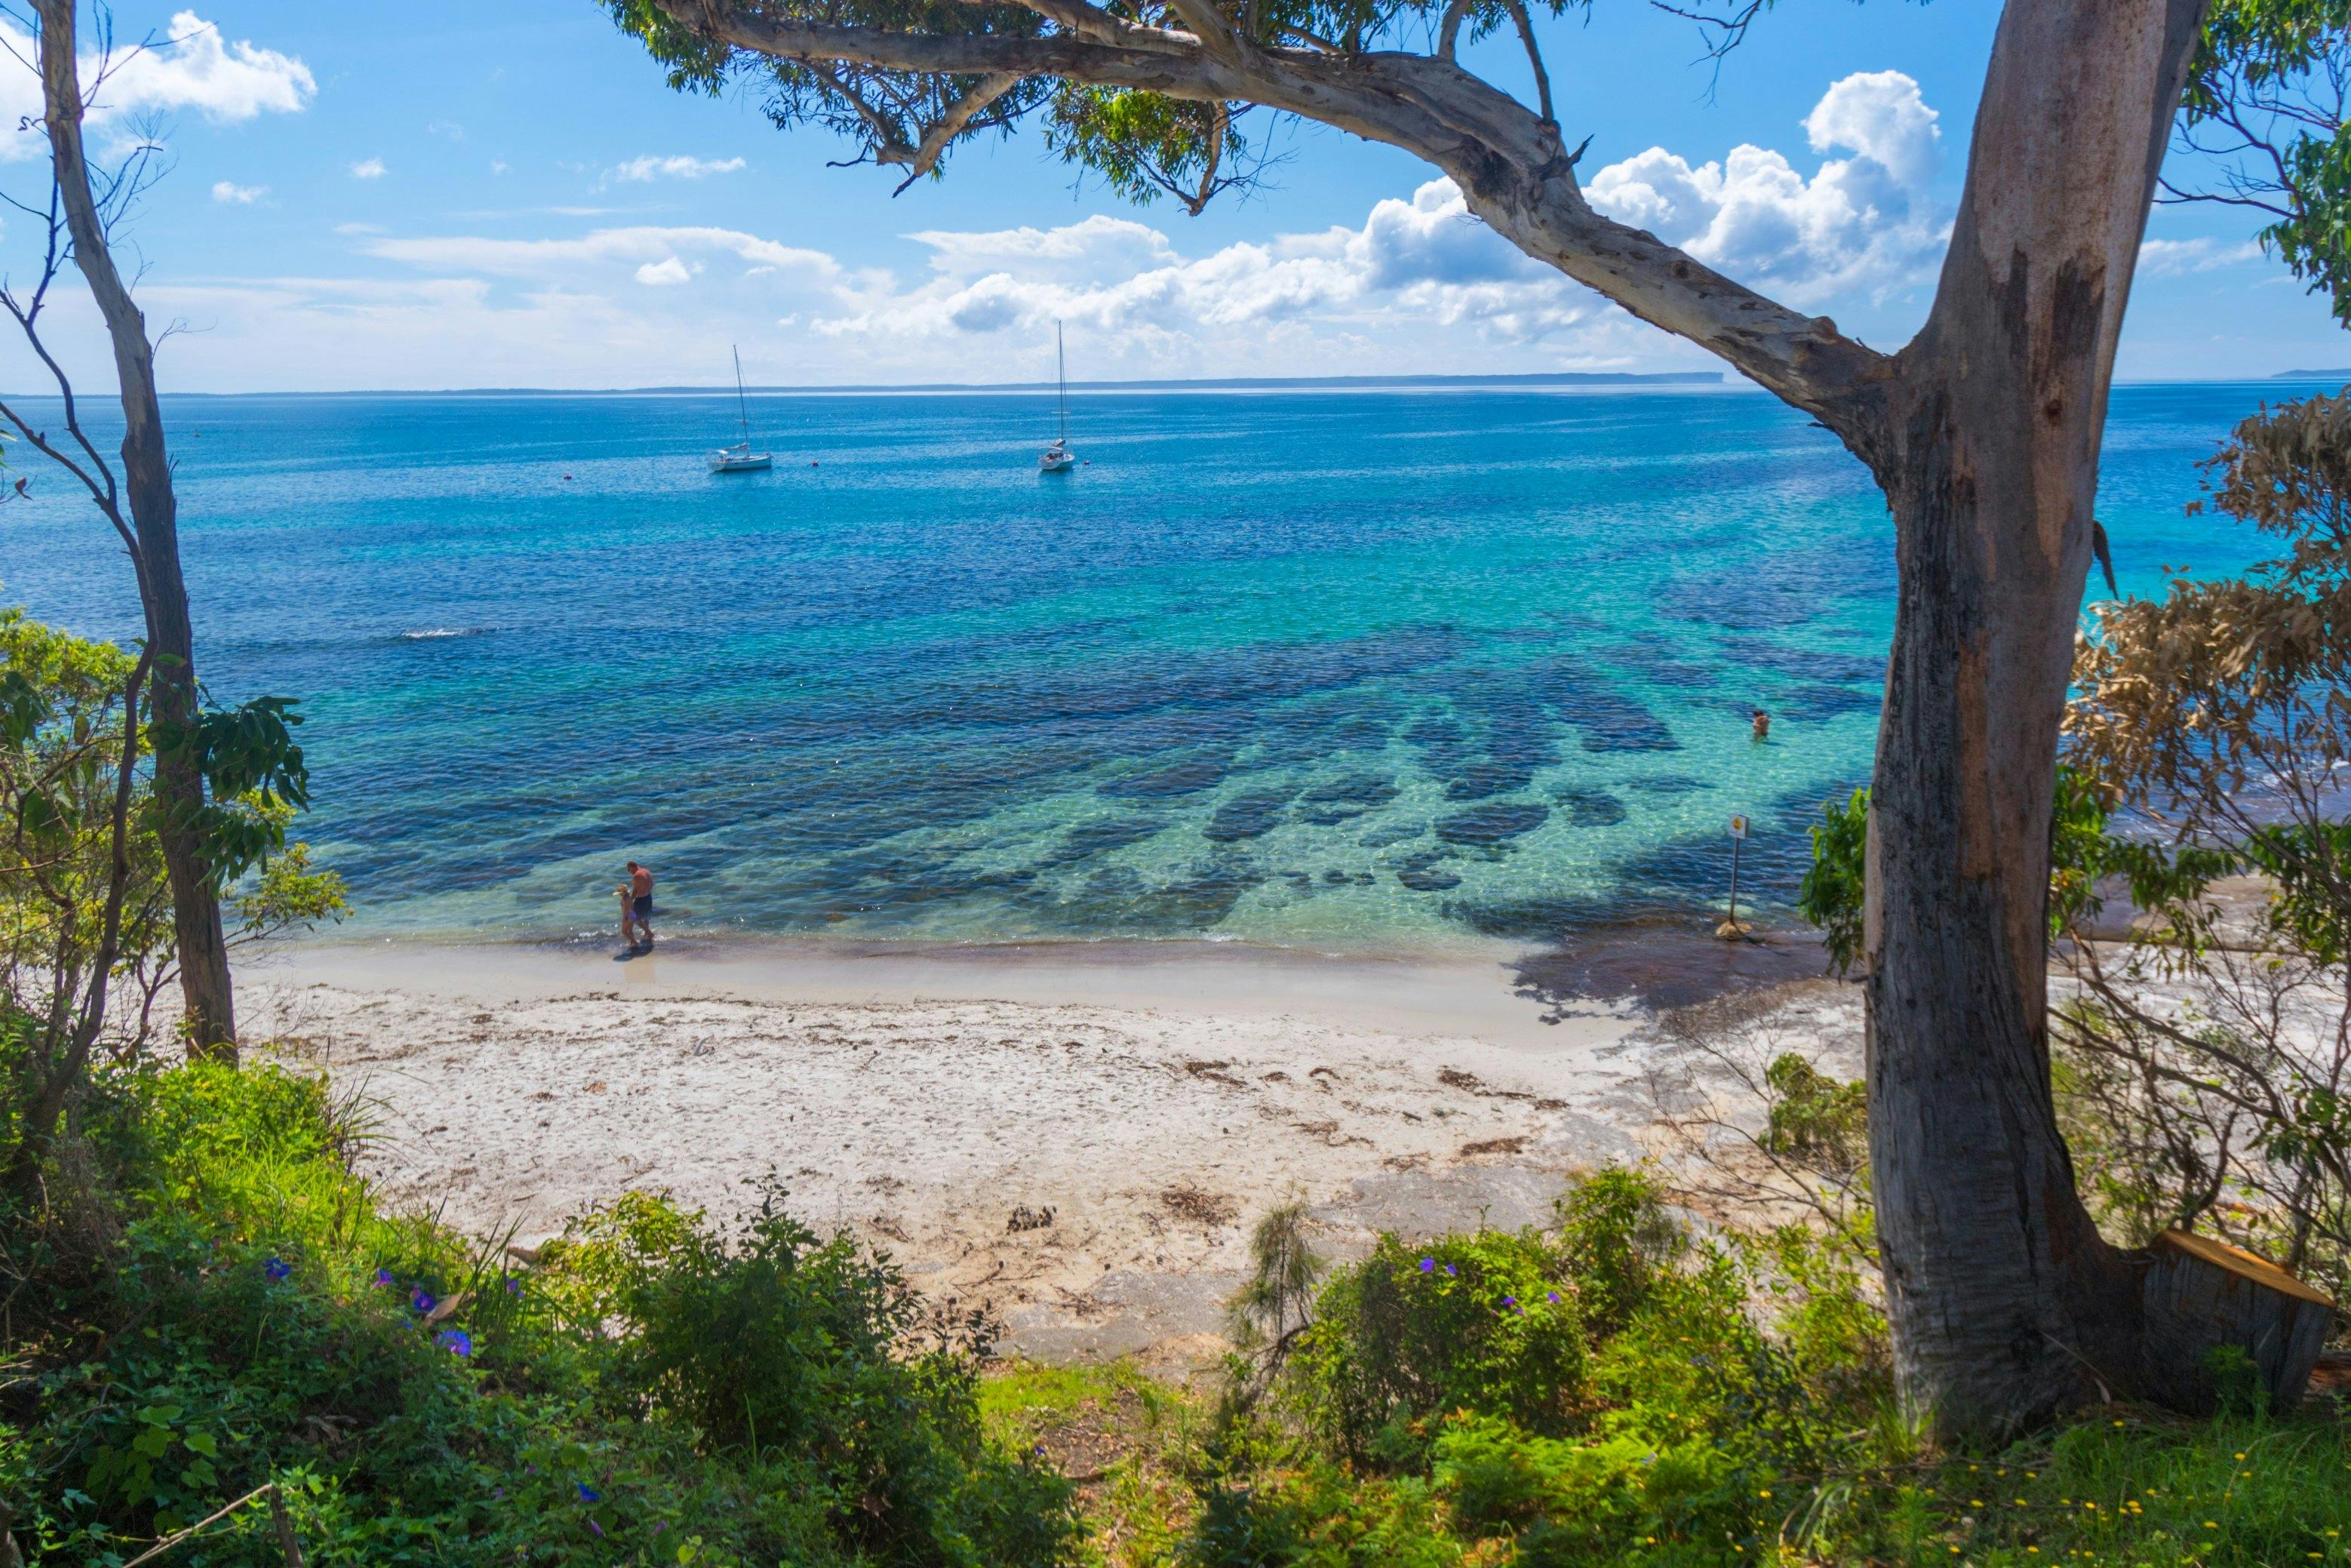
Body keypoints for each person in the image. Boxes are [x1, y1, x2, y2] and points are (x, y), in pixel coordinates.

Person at [628, 859, 655, 948]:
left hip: (641, 900)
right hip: (649, 897)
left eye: (629, 870)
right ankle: (647, 934)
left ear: (632, 867)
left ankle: (649, 933)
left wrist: (630, 900)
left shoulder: (636, 876)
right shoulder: (647, 871)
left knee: (633, 918)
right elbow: (652, 884)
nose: (630, 873)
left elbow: (635, 891)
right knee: (646, 917)